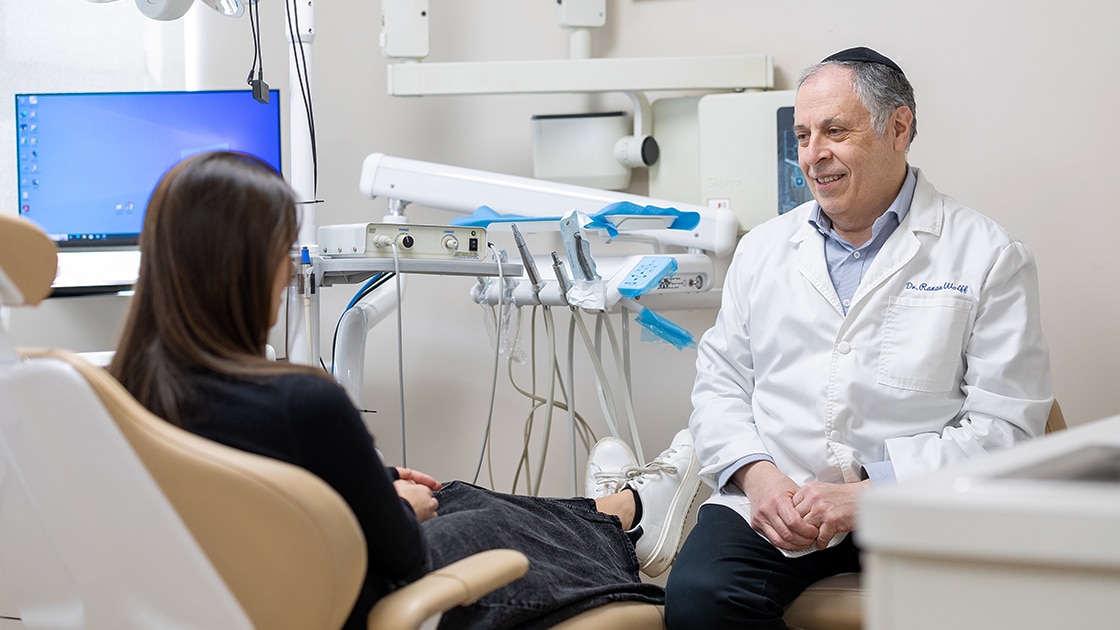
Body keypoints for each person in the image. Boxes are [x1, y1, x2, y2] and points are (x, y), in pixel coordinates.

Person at [108, 150, 702, 630]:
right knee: (479, 522)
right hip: (355, 599)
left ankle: (618, 511)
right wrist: (395, 507)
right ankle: (627, 520)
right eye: (279, 252)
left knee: (461, 494)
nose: (289, 270)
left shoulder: (117, 396)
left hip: (229, 592)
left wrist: (373, 481)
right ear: (241, 269)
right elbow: (403, 556)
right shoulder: (299, 401)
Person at [663, 47, 1053, 628]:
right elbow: (720, 386)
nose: (812, 156)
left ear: (898, 128)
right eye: (801, 135)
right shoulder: (762, 251)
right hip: (774, 502)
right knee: (699, 600)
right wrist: (759, 476)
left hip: (922, 503)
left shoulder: (989, 255)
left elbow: (1008, 428)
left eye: (835, 132)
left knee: (972, 611)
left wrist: (872, 493)